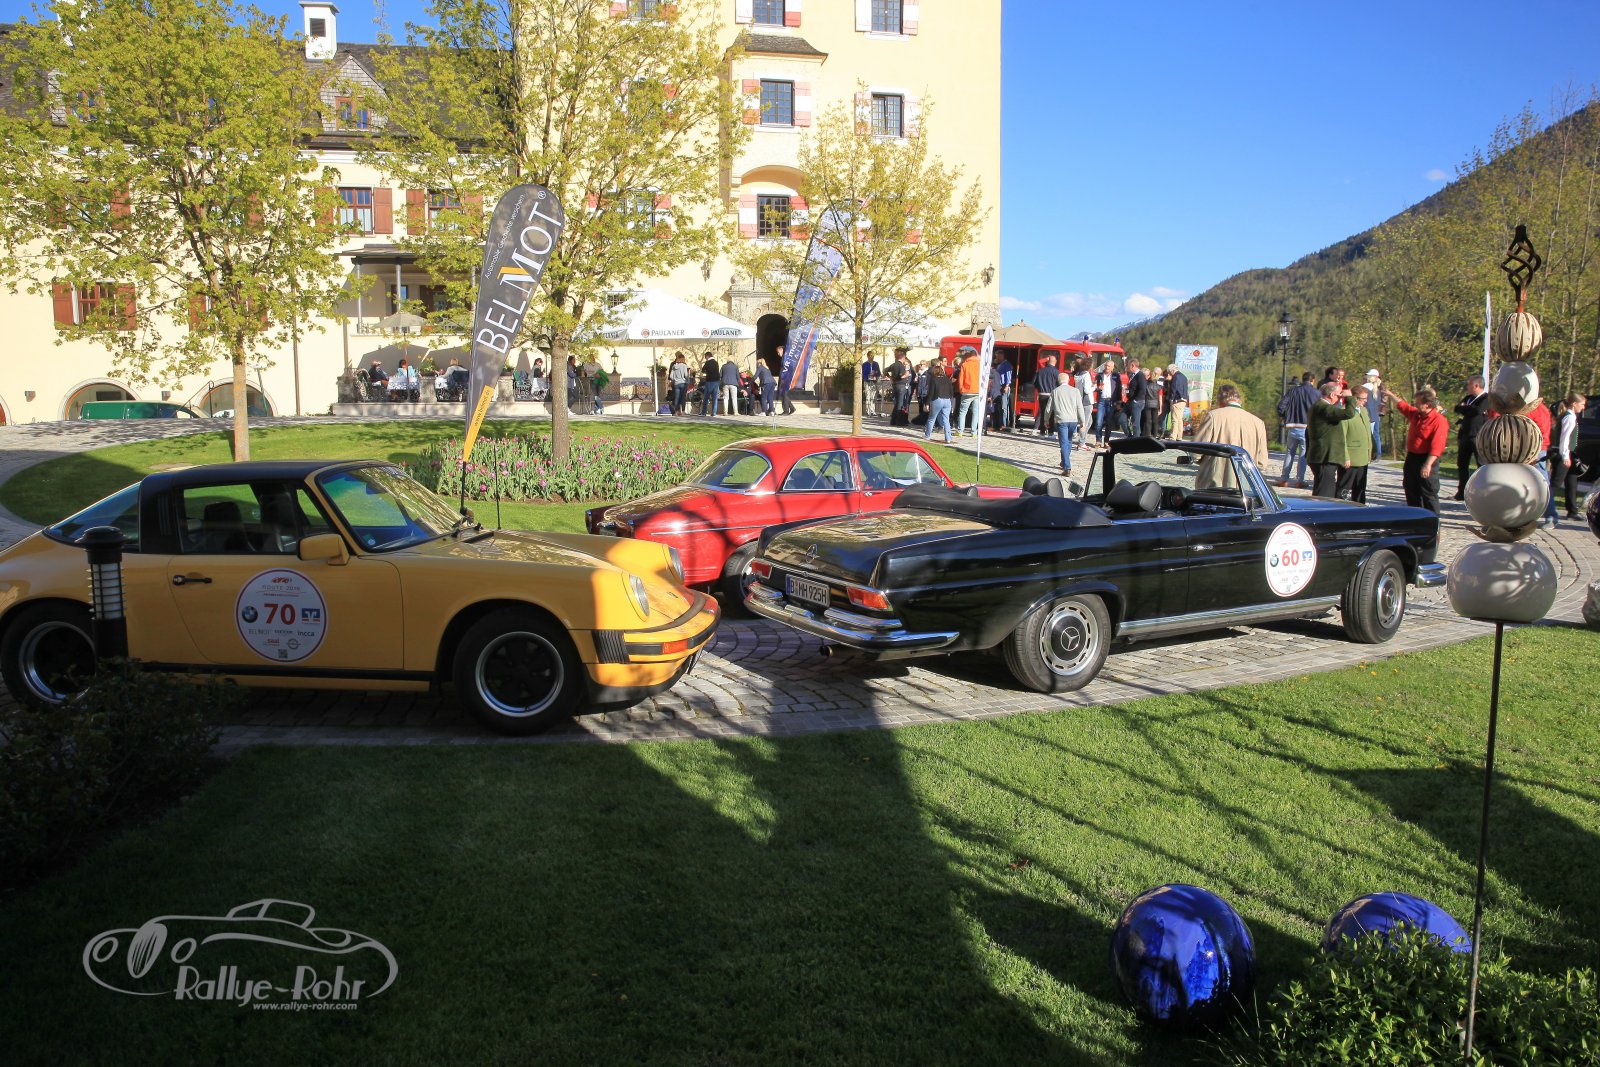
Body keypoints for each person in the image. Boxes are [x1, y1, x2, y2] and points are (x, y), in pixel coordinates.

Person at [1383, 385, 1449, 514]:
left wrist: (1427, 465)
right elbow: (1403, 406)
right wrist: (1390, 395)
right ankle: (1414, 517)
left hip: (1427, 458)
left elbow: (1437, 445)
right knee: (1410, 488)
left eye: (1418, 402)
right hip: (1412, 457)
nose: (1415, 404)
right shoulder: (1417, 414)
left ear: (1427, 405)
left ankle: (1432, 519)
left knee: (1428, 491)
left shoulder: (1438, 421)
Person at [1193, 383, 1269, 490]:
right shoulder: (1258, 423)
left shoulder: (1213, 416)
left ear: (1219, 400)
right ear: (1239, 400)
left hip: (1214, 483)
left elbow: (1196, 452)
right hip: (1245, 486)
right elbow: (1262, 462)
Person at [1306, 380, 1358, 498]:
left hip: (1324, 457)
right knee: (1324, 495)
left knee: (1325, 490)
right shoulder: (1323, 407)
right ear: (1332, 395)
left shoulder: (1320, 406)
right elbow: (1349, 413)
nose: (1340, 398)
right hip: (1324, 457)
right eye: (1339, 395)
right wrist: (1349, 398)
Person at [1276, 372, 1319, 487]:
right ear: (1313, 380)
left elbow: (1281, 406)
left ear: (1302, 379)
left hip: (1293, 425)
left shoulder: (1293, 391)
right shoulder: (1316, 393)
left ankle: (1284, 479)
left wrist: (1284, 416)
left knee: (1290, 452)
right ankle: (1300, 480)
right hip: (1308, 427)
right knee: (1303, 454)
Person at [1452, 375, 1490, 500]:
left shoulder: (1486, 398)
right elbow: (1457, 408)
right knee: (1462, 464)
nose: (1467, 387)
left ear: (1476, 386)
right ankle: (1461, 491)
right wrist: (1466, 408)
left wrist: (1465, 409)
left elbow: (1477, 411)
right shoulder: (1468, 398)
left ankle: (1482, 492)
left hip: (1478, 435)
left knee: (1481, 464)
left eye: (1469, 384)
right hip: (1465, 435)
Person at [1338, 384, 1375, 503]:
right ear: (1354, 398)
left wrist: (1370, 451)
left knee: (1360, 488)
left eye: (1366, 398)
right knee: (1344, 488)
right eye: (1362, 399)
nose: (1365, 401)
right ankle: (1339, 508)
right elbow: (1341, 436)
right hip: (1351, 458)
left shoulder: (1364, 411)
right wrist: (1345, 456)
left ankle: (1359, 508)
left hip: (1363, 457)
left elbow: (1368, 433)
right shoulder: (1344, 411)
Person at [1051, 369, 1086, 476]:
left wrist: (1046, 420)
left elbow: (1048, 408)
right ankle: (1064, 461)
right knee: (1069, 441)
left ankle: (1067, 467)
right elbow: (1079, 407)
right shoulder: (1075, 391)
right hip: (1073, 420)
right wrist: (1082, 421)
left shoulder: (1055, 391)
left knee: (1063, 443)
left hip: (1062, 420)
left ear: (1058, 381)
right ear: (1068, 380)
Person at [925, 361, 955, 444]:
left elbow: (931, 392)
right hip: (947, 400)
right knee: (946, 419)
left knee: (932, 418)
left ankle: (927, 435)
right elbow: (951, 392)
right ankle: (948, 438)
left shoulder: (933, 380)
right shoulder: (947, 379)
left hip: (937, 399)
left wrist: (927, 403)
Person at [1094, 359, 1122, 448]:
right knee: (1098, 422)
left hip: (1111, 401)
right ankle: (1098, 441)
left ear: (1112, 368)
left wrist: (1119, 401)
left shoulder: (1116, 376)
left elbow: (1119, 389)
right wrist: (1098, 388)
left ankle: (1106, 441)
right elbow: (1094, 386)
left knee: (1109, 422)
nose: (1107, 367)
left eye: (1109, 366)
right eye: (1106, 366)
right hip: (1101, 400)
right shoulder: (1099, 375)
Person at [956, 346, 982, 436]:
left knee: (963, 412)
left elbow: (961, 378)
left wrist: (961, 389)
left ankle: (960, 431)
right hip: (978, 391)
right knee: (976, 412)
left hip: (967, 391)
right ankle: (974, 432)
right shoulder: (980, 364)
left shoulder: (965, 364)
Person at [1031, 354, 1059, 437]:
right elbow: (1059, 384)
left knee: (1043, 413)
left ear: (1047, 361)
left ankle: (1042, 432)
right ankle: (1050, 433)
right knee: (1051, 414)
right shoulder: (1056, 372)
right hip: (1052, 395)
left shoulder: (1040, 371)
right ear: (1055, 362)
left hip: (1042, 394)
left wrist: (1039, 389)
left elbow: (1033, 382)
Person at [1164, 362, 1190, 442]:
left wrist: (1171, 399)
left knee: (1174, 419)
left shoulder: (1175, 377)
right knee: (1179, 419)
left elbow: (1174, 388)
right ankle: (1179, 436)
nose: (1169, 374)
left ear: (1172, 370)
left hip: (1177, 400)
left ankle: (1173, 436)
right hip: (1184, 400)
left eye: (1169, 372)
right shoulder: (1184, 376)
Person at [1363, 368, 1384, 460]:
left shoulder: (1365, 387)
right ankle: (1378, 454)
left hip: (1368, 415)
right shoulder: (1377, 389)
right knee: (1376, 435)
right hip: (1376, 415)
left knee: (1369, 436)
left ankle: (1370, 454)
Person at [991, 351, 1015, 431]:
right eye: (996, 356)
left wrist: (1007, 386)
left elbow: (1008, 376)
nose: (996, 358)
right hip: (998, 387)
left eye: (997, 356)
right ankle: (999, 423)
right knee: (999, 406)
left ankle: (1004, 424)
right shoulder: (999, 364)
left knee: (1004, 406)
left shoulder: (1007, 365)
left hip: (1004, 386)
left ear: (1002, 356)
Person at [1125, 359, 1149, 437]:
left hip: (1137, 402)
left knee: (1135, 423)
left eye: (1129, 366)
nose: (1128, 368)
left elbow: (1143, 389)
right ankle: (1129, 436)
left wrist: (1136, 400)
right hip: (1130, 400)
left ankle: (1136, 439)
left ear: (1133, 365)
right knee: (1122, 418)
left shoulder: (1140, 375)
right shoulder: (1132, 375)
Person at [888, 347, 911, 427]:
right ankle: (899, 421)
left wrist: (891, 378)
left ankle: (893, 421)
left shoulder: (894, 364)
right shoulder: (900, 365)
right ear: (903, 356)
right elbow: (902, 376)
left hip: (895, 385)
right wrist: (906, 374)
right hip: (901, 386)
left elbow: (885, 371)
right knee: (900, 404)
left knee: (897, 403)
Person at [1077, 358, 1096, 449]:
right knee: (1084, 423)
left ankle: (1082, 438)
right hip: (1087, 401)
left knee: (1089, 422)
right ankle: (1081, 442)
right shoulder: (1086, 375)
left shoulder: (1079, 374)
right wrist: (1094, 387)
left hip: (1080, 399)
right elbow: (1087, 390)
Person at [860, 350, 882, 417]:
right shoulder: (865, 364)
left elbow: (879, 373)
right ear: (868, 356)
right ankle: (868, 411)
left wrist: (875, 373)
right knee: (868, 396)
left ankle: (873, 411)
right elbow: (863, 374)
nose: (872, 357)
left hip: (874, 382)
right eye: (871, 356)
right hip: (867, 382)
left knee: (873, 397)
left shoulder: (876, 364)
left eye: (873, 356)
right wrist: (868, 376)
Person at [776, 346, 796, 415]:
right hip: (784, 378)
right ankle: (792, 408)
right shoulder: (785, 358)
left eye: (778, 352)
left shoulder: (786, 358)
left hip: (785, 378)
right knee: (784, 394)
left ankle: (786, 411)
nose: (778, 354)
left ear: (781, 350)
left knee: (784, 394)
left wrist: (783, 378)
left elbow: (786, 369)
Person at [700, 352, 720, 416]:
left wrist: (706, 372)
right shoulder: (716, 362)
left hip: (709, 381)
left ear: (707, 356)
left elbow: (703, 370)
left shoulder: (707, 362)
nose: (705, 358)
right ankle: (714, 412)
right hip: (716, 381)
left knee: (706, 397)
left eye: (705, 357)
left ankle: (704, 412)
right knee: (714, 397)